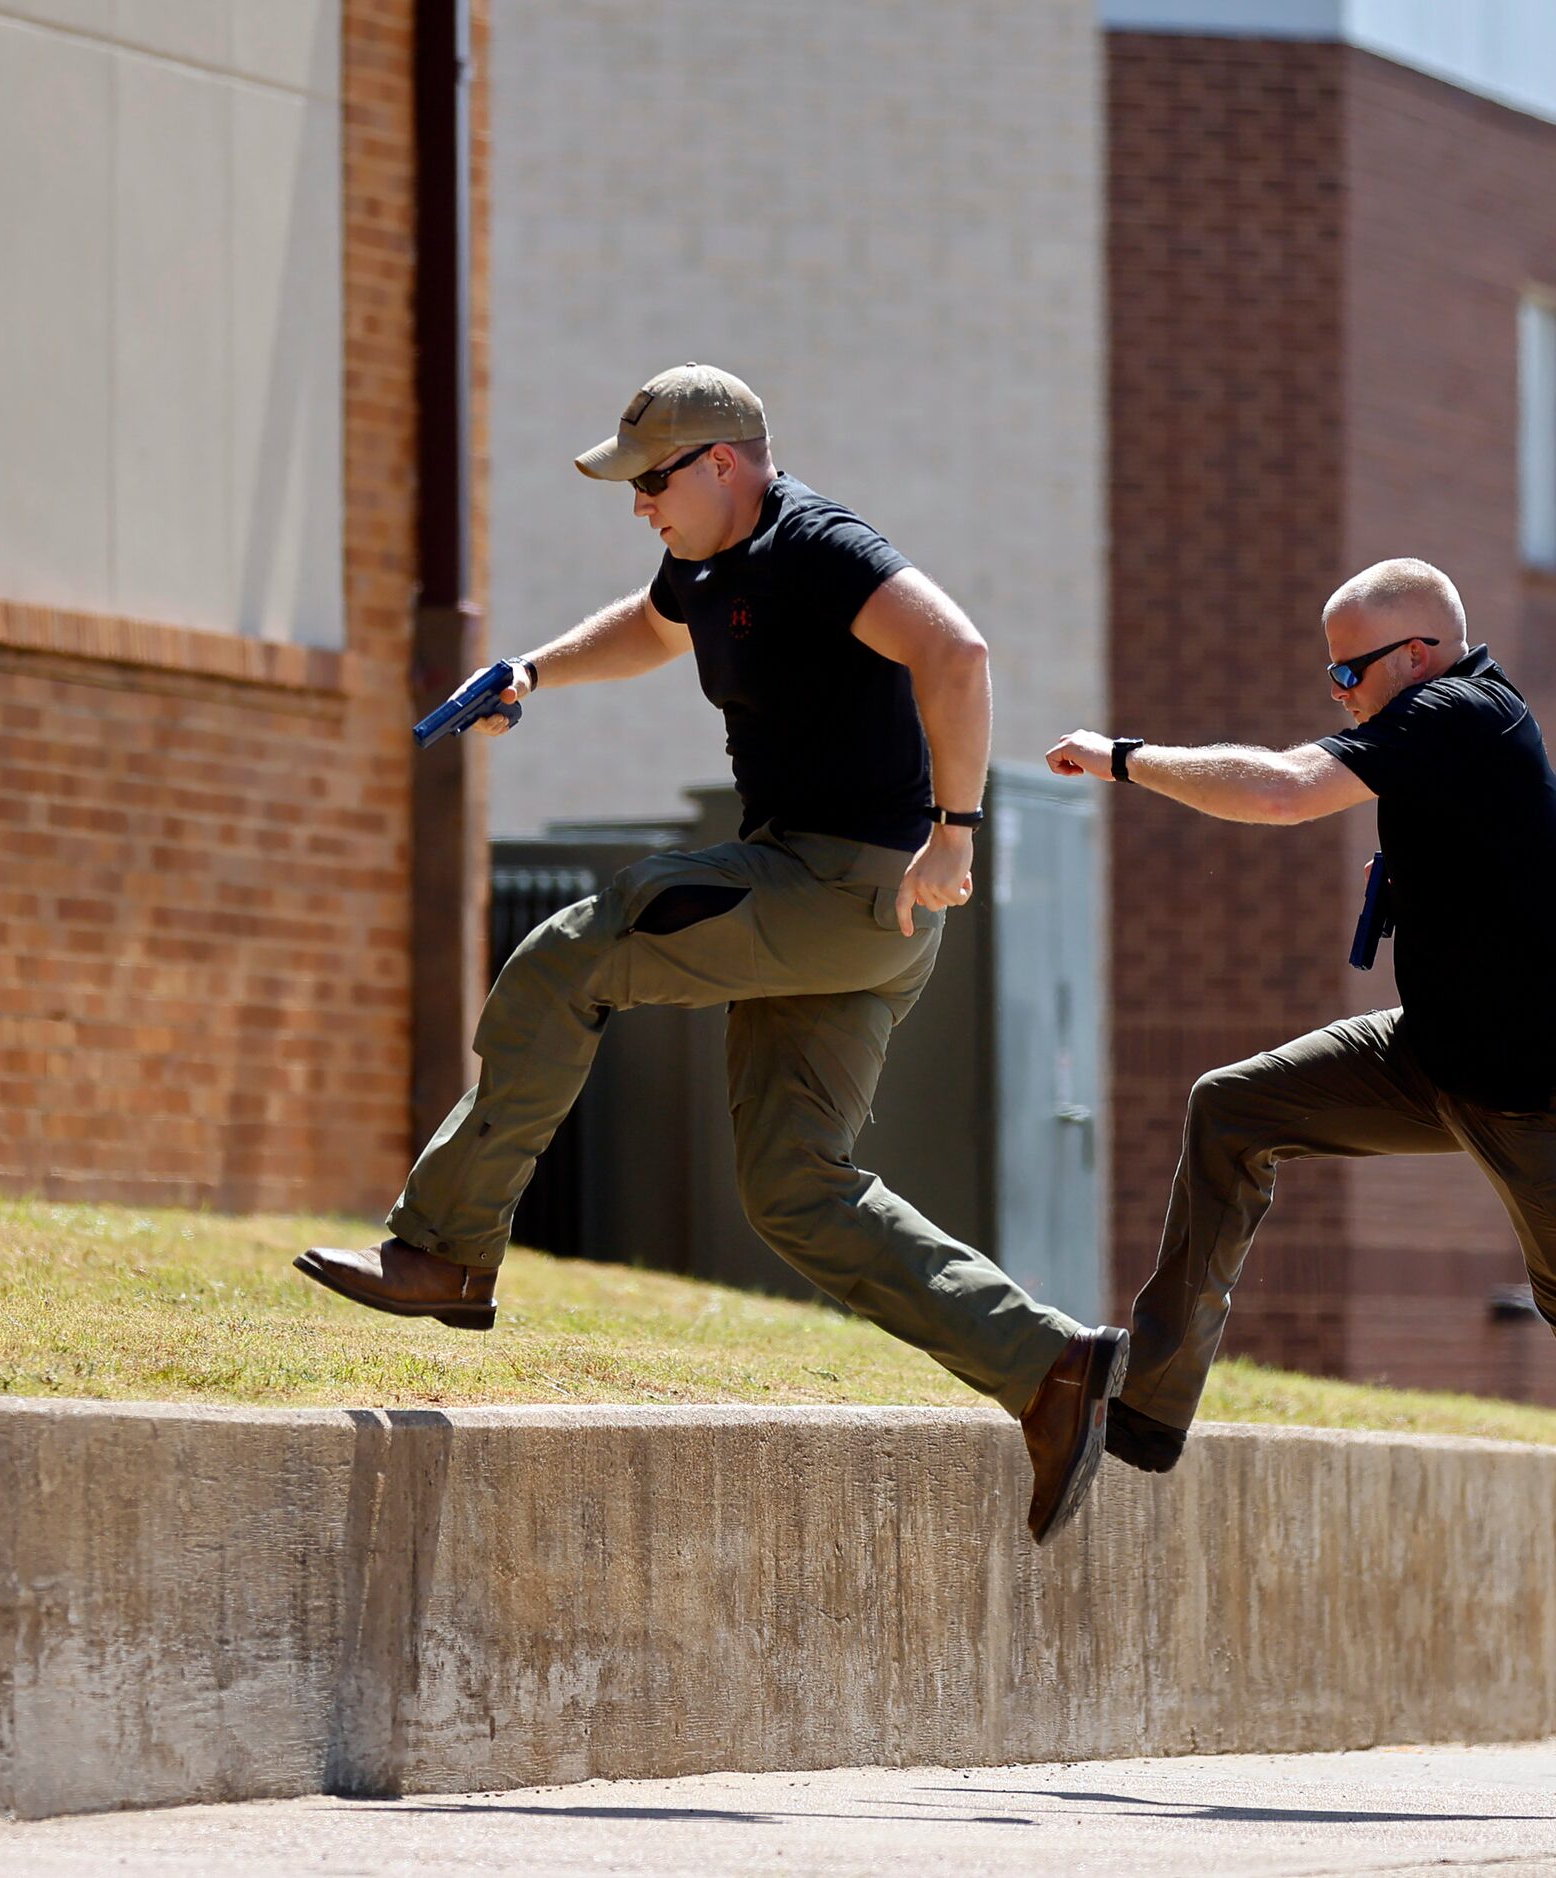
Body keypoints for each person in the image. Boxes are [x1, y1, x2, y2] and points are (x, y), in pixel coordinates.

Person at [300, 363, 1128, 1544]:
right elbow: (652, 626)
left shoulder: (820, 547)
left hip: (848, 886)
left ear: (723, 463)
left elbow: (959, 655)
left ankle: (444, 1251)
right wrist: (531, 671)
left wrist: (956, 834)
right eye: (631, 487)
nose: (640, 504)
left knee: (566, 958)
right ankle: (1048, 1369)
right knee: (794, 1186)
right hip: (835, 905)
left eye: (651, 482)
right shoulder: (703, 560)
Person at [1045, 557, 1556, 1795]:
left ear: (1413, 656)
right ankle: (1153, 1402)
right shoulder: (1429, 723)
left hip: (1548, 1100)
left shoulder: (1456, 716)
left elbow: (1292, 791)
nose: (1337, 694)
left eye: (1347, 671)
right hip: (1435, 1057)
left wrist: (1128, 758)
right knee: (1232, 1110)